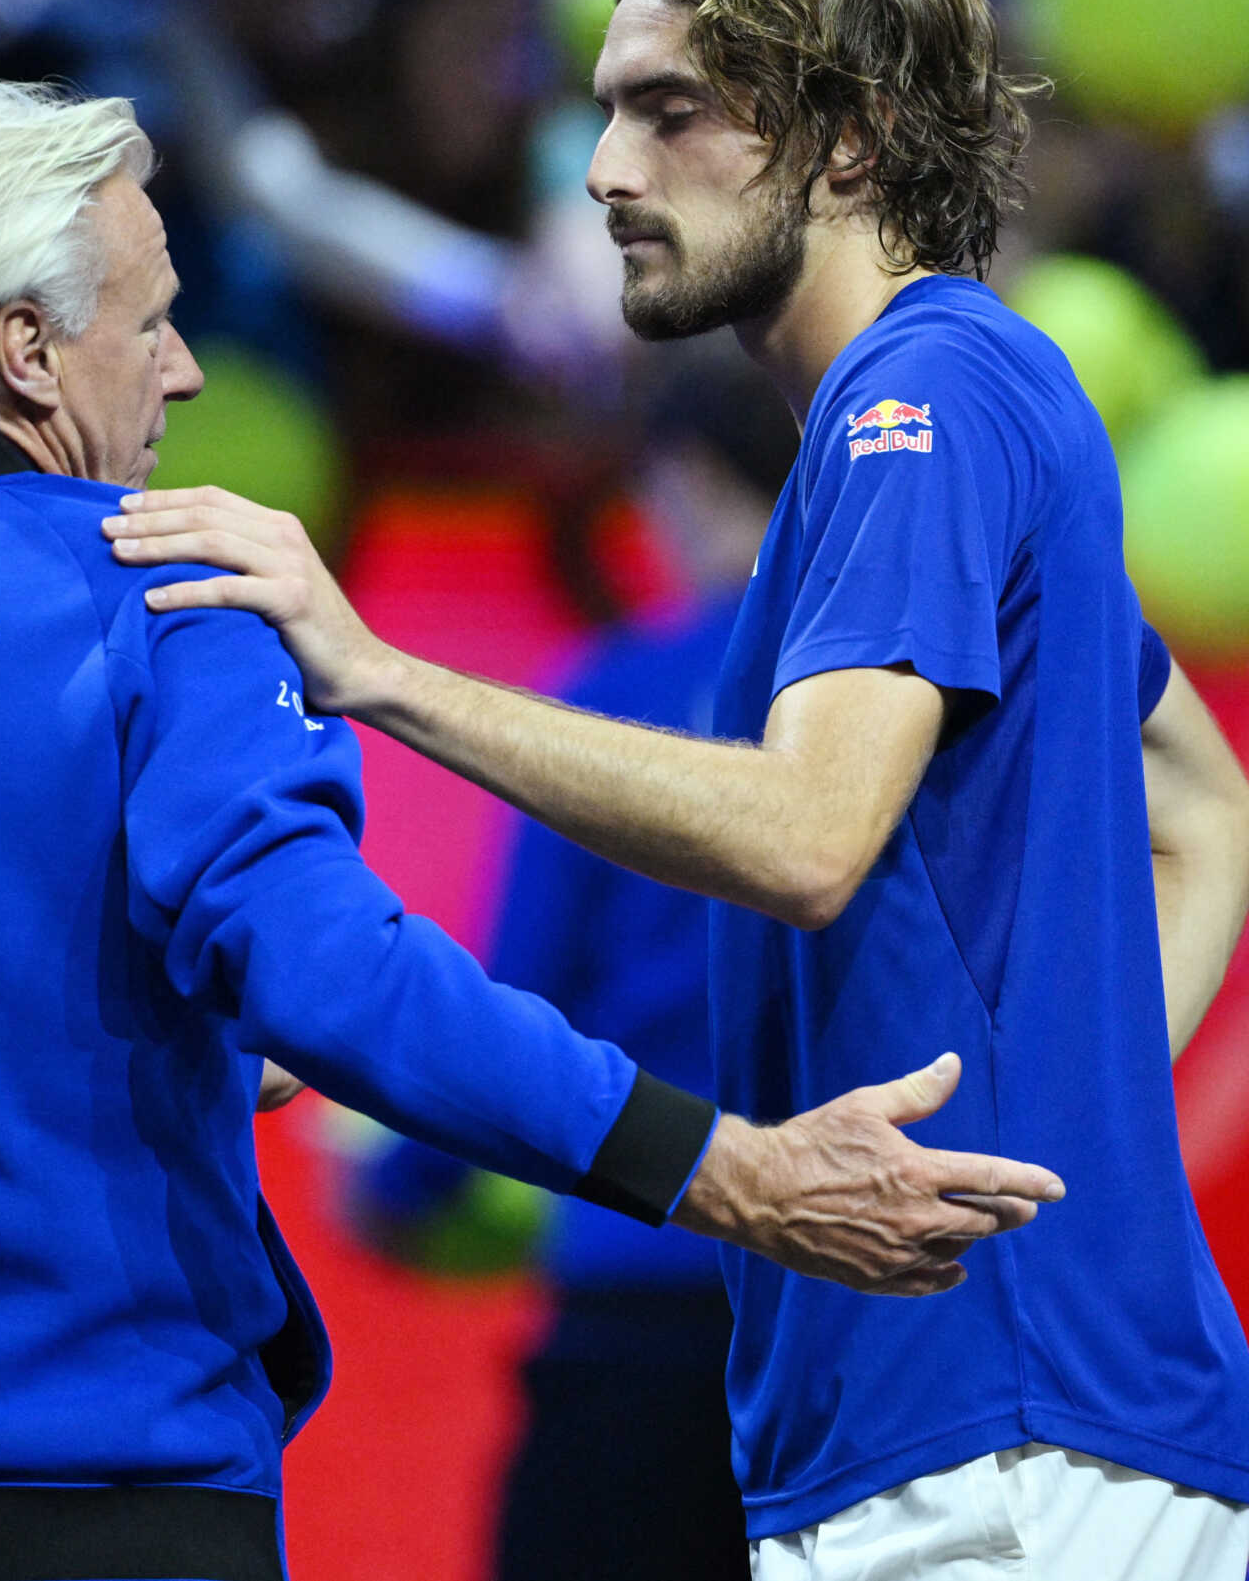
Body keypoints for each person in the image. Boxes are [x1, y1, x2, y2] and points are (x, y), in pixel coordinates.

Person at [0, 79, 1061, 1581]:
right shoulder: (166, 589)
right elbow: (338, 976)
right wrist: (732, 1173)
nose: (182, 371)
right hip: (87, 1486)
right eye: (153, 317)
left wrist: (175, 1045)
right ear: (26, 352)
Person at [107, 0, 1249, 1578]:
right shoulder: (951, 408)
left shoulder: (924, 396)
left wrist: (374, 669)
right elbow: (1214, 817)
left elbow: (809, 837)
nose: (601, 172)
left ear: (851, 135)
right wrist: (1052, 1130)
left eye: (670, 113)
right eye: (603, 114)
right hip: (966, 1412)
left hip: (989, 1432)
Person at [353, 354, 796, 1581]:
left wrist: (405, 1191)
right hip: (869, 1334)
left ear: (686, 480)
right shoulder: (915, 697)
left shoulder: (619, 697)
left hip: (640, 1309)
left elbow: (516, 1012)